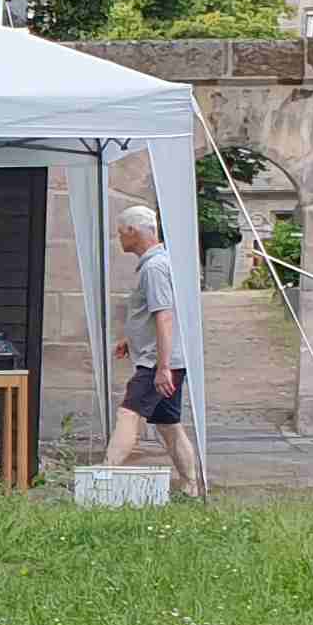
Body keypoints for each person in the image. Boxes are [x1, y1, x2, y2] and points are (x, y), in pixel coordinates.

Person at [101, 204, 206, 497]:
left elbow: (165, 315)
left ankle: (103, 477)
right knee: (168, 424)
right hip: (167, 358)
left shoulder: (154, 267)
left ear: (133, 231)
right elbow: (152, 314)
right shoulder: (160, 262)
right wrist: (130, 339)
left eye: (121, 232)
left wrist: (162, 367)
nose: (119, 238)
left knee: (127, 414)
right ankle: (190, 487)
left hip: (156, 363)